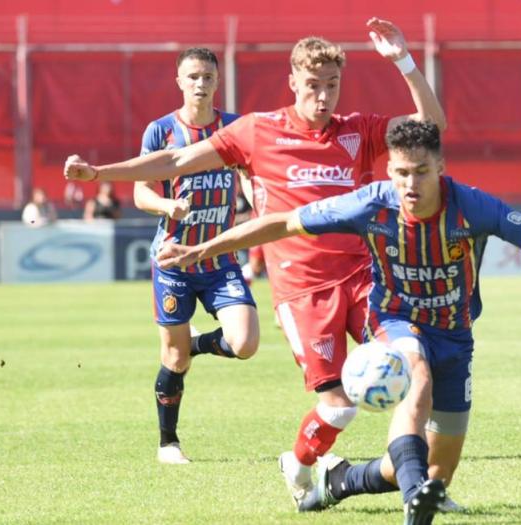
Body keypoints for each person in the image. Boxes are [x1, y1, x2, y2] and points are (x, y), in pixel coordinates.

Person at [155, 120, 521, 524]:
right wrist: (203, 247)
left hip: (457, 334)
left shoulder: (472, 206)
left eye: (420, 171)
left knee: (435, 475)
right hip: (397, 320)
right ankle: (412, 514)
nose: (409, 183)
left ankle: (340, 484)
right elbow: (282, 223)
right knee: (414, 377)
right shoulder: (370, 204)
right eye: (400, 172)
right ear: (390, 172)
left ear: (440, 166)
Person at [64, 18, 445, 504]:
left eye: (332, 85)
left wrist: (405, 64)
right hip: (303, 291)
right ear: (292, 83)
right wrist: (100, 172)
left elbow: (431, 130)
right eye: (313, 86)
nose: (323, 97)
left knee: (417, 370)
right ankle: (302, 464)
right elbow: (175, 163)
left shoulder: (360, 130)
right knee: (338, 408)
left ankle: (422, 487)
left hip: (365, 278)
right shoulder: (258, 132)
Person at [81, 47, 260, 464]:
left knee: (246, 342)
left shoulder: (234, 127)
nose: (201, 84)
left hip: (219, 257)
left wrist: (259, 205)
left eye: (208, 77)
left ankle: (199, 342)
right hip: (173, 259)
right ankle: (168, 443)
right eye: (193, 77)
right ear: (179, 81)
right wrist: (166, 207)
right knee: (175, 358)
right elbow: (142, 189)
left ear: (218, 81)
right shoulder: (160, 131)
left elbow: (250, 177)